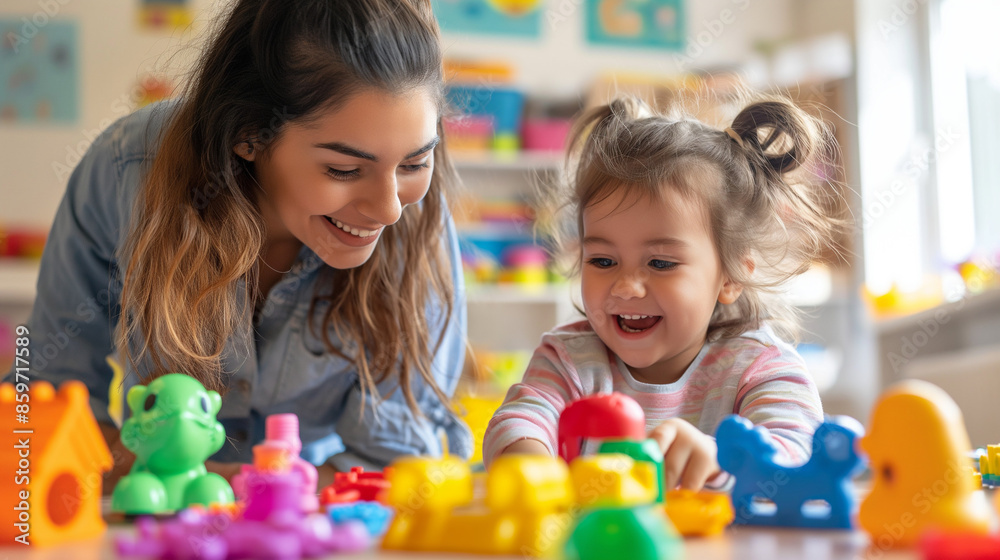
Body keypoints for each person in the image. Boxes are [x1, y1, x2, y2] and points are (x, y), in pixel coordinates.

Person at [4, 0, 472, 491]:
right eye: (344, 170)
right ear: (248, 134)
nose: (389, 210)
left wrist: (256, 492)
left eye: (414, 162)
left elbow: (394, 459)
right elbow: (46, 390)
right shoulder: (126, 171)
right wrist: (158, 479)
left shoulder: (418, 224)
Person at [483, 94, 846, 491]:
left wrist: (721, 460)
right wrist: (531, 464)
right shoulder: (569, 360)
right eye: (603, 261)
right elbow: (518, 421)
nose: (626, 286)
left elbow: (798, 457)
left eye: (660, 263)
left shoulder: (758, 367)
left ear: (731, 274)